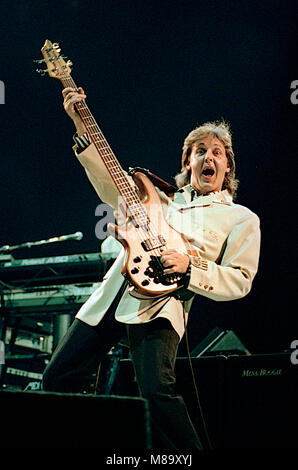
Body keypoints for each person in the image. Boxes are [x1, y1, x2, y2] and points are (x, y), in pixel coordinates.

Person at [42, 86, 261, 451]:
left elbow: (240, 279)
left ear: (227, 167)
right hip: (114, 293)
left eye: (217, 153)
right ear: (187, 162)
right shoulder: (160, 199)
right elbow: (114, 187)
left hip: (161, 304)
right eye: (200, 151)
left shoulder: (240, 218)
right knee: (56, 379)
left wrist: (191, 267)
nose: (209, 157)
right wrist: (81, 119)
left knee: (156, 394)